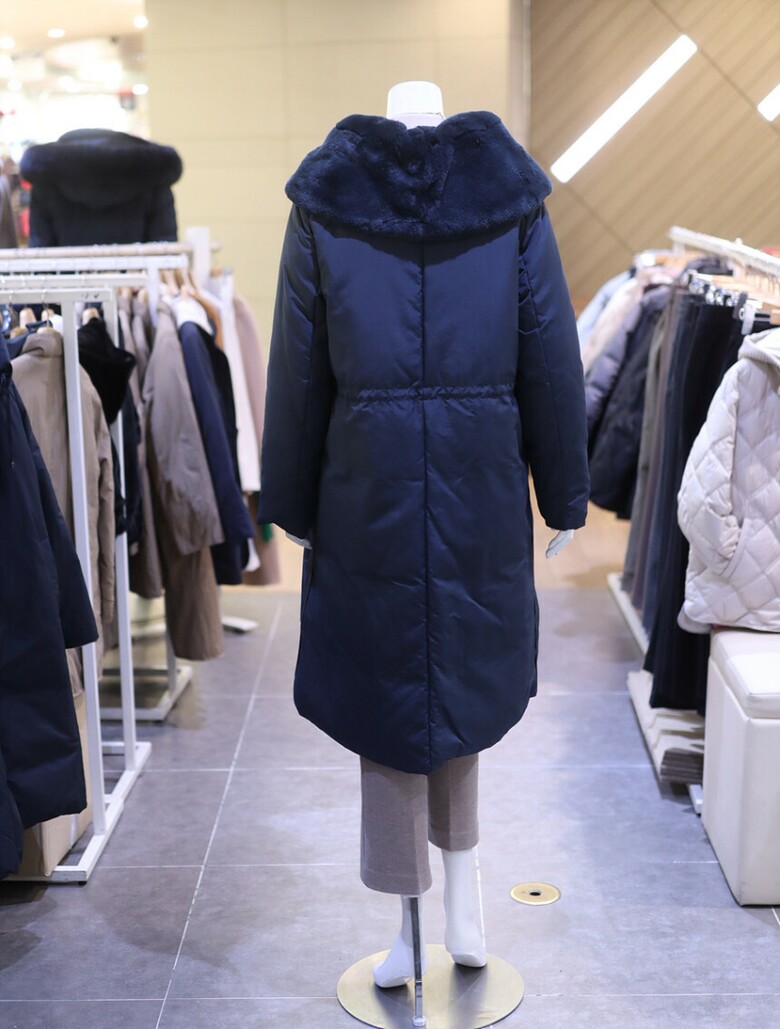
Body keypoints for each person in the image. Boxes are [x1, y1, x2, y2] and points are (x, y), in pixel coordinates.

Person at [259, 81, 589, 987]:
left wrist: (290, 501)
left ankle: (412, 921)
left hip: (365, 492)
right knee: (457, 690)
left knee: (389, 701)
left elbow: (298, 368)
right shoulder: (509, 200)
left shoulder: (326, 202)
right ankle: (462, 902)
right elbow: (551, 357)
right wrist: (563, 495)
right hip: (481, 487)